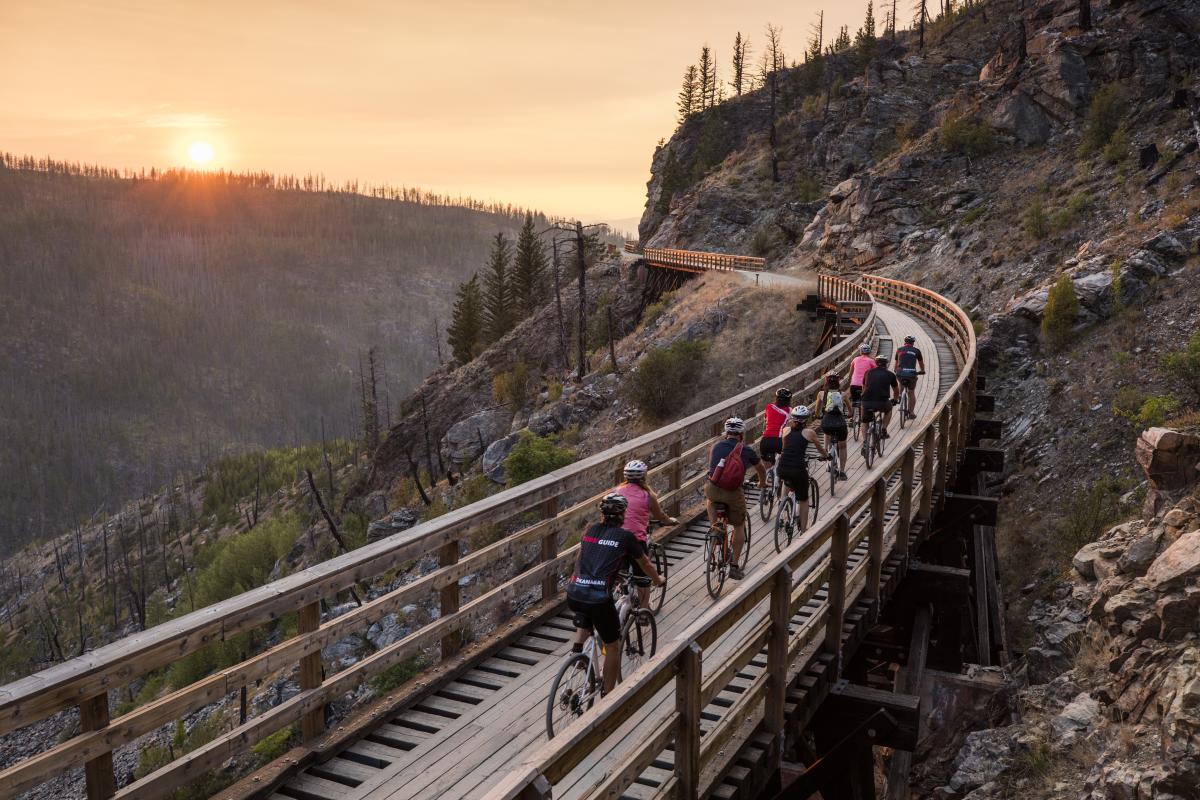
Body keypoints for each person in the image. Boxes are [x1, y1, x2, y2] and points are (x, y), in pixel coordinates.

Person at [566, 493, 664, 694]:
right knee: (612, 645)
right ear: (623, 515)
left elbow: (584, 557)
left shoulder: (590, 529)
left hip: (574, 591)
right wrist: (657, 579)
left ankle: (576, 653)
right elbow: (644, 563)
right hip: (598, 598)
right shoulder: (625, 537)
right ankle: (608, 696)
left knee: (589, 616)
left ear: (602, 514)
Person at [705, 417, 766, 581]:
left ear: (726, 433)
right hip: (733, 491)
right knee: (739, 525)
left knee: (710, 500)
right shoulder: (746, 450)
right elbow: (760, 468)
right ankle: (734, 565)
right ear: (741, 434)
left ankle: (715, 529)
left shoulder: (716, 446)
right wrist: (762, 483)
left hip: (714, 488)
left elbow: (712, 468)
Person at [614, 460, 678, 611]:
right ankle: (643, 612)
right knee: (643, 577)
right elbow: (659, 515)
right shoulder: (647, 495)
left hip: (615, 537)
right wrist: (669, 521)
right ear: (644, 476)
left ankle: (621, 590)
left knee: (620, 571)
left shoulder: (617, 491)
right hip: (635, 539)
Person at [777, 406, 829, 532]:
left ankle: (782, 511)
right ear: (806, 420)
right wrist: (826, 456)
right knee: (804, 499)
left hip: (782, 466)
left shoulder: (785, 430)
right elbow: (820, 449)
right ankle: (804, 531)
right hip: (798, 469)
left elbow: (785, 449)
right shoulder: (810, 433)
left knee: (786, 480)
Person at [814, 374, 849, 479]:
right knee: (842, 446)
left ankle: (824, 452)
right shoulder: (843, 394)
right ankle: (842, 471)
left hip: (827, 423)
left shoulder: (821, 394)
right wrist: (850, 414)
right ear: (838, 383)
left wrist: (818, 415)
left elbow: (816, 411)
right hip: (840, 424)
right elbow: (850, 410)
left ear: (826, 383)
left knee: (827, 431)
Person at [860, 354, 900, 441]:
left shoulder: (868, 372)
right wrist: (895, 399)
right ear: (886, 364)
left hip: (866, 401)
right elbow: (896, 390)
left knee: (865, 422)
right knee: (889, 410)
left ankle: (865, 442)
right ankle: (883, 429)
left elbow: (863, 387)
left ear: (876, 363)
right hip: (882, 402)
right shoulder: (890, 374)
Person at [759, 388, 792, 470]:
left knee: (766, 467)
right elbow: (790, 427)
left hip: (765, 440)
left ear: (776, 398)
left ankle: (766, 478)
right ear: (789, 400)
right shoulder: (789, 410)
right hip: (779, 441)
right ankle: (779, 479)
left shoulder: (769, 407)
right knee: (783, 467)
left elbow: (765, 423)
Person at [894, 335, 926, 419]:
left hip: (900, 373)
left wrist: (895, 370)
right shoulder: (916, 351)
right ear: (913, 343)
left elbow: (896, 363)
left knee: (901, 381)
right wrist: (922, 371)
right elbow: (921, 363)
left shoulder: (899, 350)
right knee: (911, 392)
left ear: (905, 342)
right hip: (911, 374)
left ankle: (900, 395)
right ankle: (911, 412)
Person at [848, 343, 876, 422]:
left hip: (854, 384)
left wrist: (850, 381)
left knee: (854, 400)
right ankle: (864, 416)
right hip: (865, 385)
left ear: (860, 352)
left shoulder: (855, 359)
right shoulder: (871, 361)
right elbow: (876, 372)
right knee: (866, 400)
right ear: (869, 352)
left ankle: (851, 417)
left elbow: (850, 373)